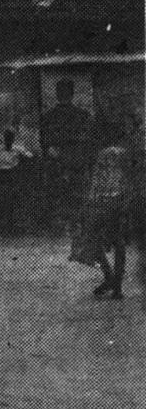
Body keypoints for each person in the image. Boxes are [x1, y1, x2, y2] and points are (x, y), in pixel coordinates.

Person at [70, 128, 130, 299]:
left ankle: (111, 278)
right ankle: (115, 283)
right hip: (117, 201)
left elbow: (96, 181)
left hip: (104, 202)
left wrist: (89, 203)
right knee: (118, 243)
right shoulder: (123, 155)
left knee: (93, 239)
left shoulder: (104, 155)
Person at [41, 79, 94, 224]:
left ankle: (66, 223)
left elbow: (46, 143)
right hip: (70, 164)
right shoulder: (82, 115)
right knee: (69, 198)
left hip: (66, 164)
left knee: (66, 198)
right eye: (61, 91)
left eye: (64, 91)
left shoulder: (49, 117)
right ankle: (68, 223)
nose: (63, 94)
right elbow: (46, 142)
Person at [0, 130, 33, 232]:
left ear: (12, 139)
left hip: (13, 175)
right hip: (1, 175)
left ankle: (13, 222)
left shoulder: (17, 149)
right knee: (0, 197)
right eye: (6, 138)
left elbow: (30, 157)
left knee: (14, 197)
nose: (8, 140)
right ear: (4, 139)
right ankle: (1, 221)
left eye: (10, 138)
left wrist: (22, 167)